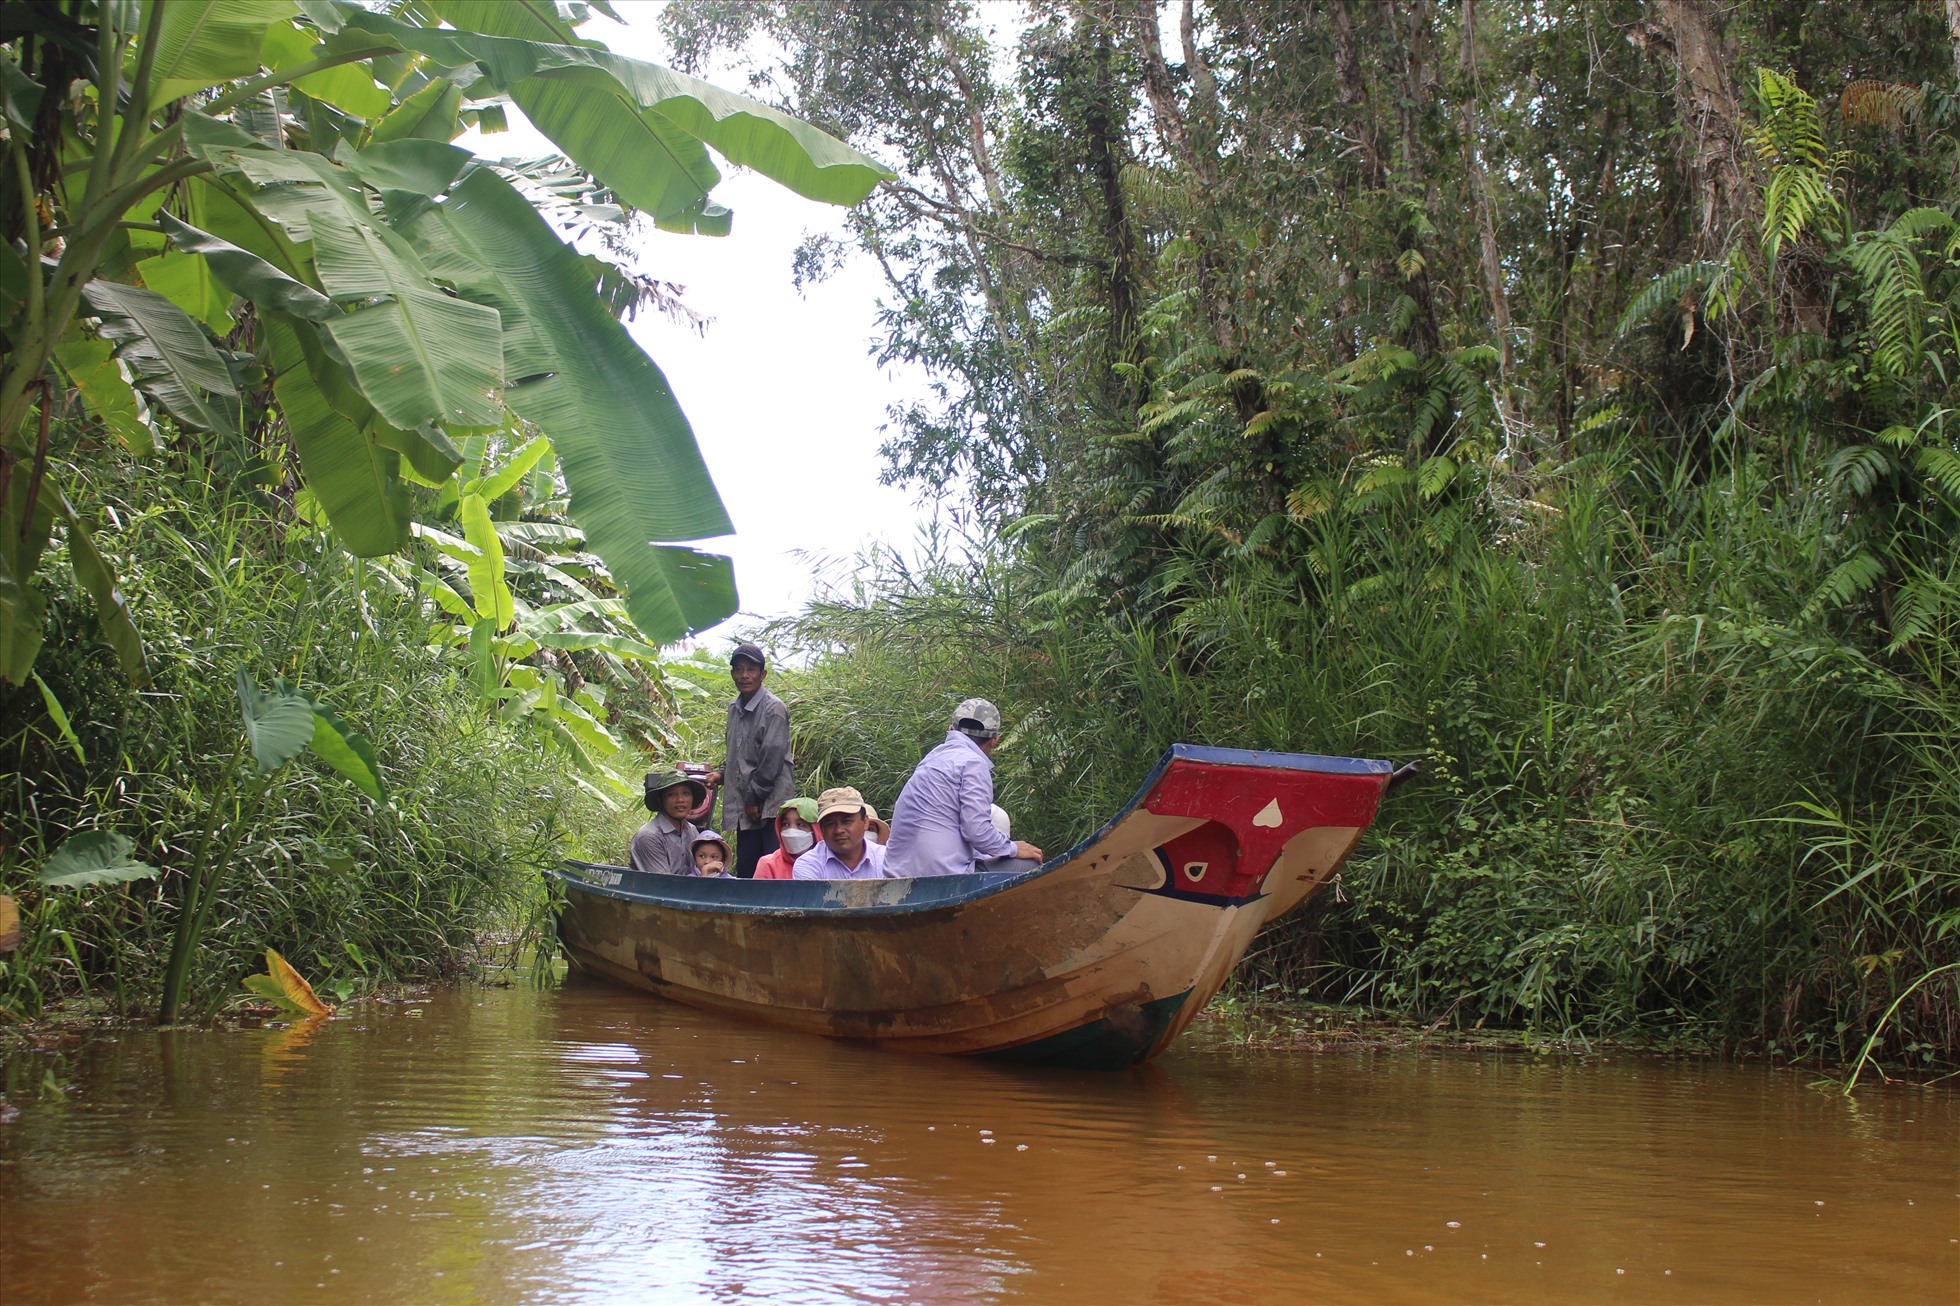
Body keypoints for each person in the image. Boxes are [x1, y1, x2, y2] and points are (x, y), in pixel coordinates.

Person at [883, 698, 1043, 877]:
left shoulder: (932, 758)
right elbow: (977, 832)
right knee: (1030, 865)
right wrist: (1013, 848)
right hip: (942, 876)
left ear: (950, 729)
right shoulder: (973, 763)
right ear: (994, 741)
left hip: (895, 873)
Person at [709, 643, 794, 878]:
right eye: (738, 669)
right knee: (747, 869)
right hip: (746, 807)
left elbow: (772, 759)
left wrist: (754, 798)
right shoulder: (734, 708)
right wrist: (721, 774)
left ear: (762, 674)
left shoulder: (773, 708)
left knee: (772, 867)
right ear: (732, 674)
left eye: (751, 670)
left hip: (769, 806)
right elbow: (736, 753)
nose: (744, 675)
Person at [791, 786, 889, 880]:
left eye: (846, 821)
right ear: (821, 828)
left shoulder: (885, 859)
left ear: (865, 822)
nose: (838, 830)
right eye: (830, 824)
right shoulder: (809, 864)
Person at [629, 770, 706, 875]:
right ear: (661, 800)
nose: (680, 800)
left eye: (686, 793)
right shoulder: (649, 836)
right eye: (671, 794)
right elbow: (663, 884)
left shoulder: (691, 831)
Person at [753, 796, 819, 880]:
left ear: (816, 830)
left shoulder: (829, 863)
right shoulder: (768, 864)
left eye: (800, 824)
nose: (791, 831)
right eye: (786, 824)